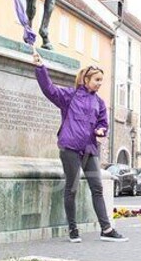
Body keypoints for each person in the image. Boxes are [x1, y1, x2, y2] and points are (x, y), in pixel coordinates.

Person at [32, 51, 127, 243]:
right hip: (70, 149)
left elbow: (103, 123)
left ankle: (106, 229)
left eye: (102, 80)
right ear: (86, 79)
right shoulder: (70, 95)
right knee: (72, 188)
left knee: (97, 188)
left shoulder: (99, 102)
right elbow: (49, 89)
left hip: (90, 150)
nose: (100, 83)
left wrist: (101, 130)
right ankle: (73, 230)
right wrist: (40, 68)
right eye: (97, 80)